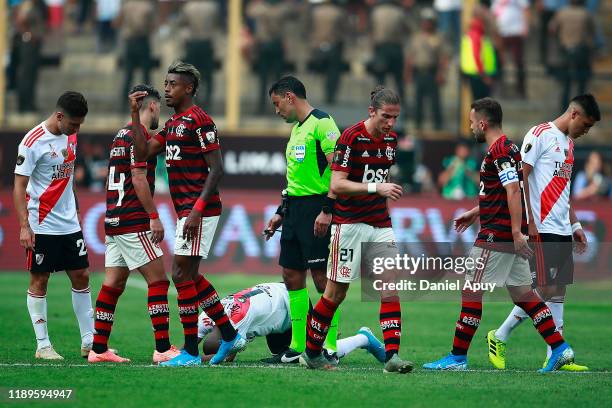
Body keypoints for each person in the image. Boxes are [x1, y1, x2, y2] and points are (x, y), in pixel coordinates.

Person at [423, 98, 575, 372]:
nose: (471, 128)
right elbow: (499, 192)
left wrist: (517, 232)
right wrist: (475, 212)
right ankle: (560, 348)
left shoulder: (499, 151)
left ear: (482, 123)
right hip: (504, 233)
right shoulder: (508, 148)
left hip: (496, 237)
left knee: (471, 291)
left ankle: (457, 357)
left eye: (471, 123)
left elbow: (514, 191)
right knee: (525, 296)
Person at [130, 61, 246, 367]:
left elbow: (217, 169)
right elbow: (141, 152)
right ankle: (230, 334)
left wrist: (196, 211)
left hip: (200, 209)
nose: (167, 89)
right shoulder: (172, 124)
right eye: (166, 84)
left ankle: (192, 352)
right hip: (187, 210)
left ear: (189, 88)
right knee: (190, 275)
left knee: (180, 274)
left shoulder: (200, 121)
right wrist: (134, 115)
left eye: (173, 84)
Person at [300, 86, 413, 373]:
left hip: (380, 223)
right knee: (336, 294)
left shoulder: (391, 140)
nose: (390, 123)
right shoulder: (351, 137)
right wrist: (377, 187)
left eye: (395, 118)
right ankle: (311, 353)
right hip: (349, 224)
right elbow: (337, 184)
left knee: (390, 289)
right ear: (371, 111)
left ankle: (392, 357)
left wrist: (380, 189)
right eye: (386, 116)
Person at [487, 94, 600, 371]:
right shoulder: (539, 135)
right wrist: (531, 222)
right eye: (585, 125)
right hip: (542, 226)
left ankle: (555, 355)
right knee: (543, 289)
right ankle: (499, 336)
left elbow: (565, 191)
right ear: (574, 114)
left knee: (558, 291)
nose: (586, 131)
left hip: (562, 226)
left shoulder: (570, 146)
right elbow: (521, 177)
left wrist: (575, 225)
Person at [88, 85, 180, 364]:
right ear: (151, 106)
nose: (159, 115)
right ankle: (163, 348)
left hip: (113, 219)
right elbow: (138, 178)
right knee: (159, 280)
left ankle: (99, 348)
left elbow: (111, 178)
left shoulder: (121, 134)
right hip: (132, 220)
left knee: (113, 283)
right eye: (158, 109)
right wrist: (153, 216)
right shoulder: (138, 136)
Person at [264, 76, 341, 364]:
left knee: (323, 280)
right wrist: (280, 213)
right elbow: (294, 181)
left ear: (289, 97)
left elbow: (338, 170)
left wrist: (328, 209)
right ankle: (298, 344)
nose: (276, 110)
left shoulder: (323, 123)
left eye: (276, 104)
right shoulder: (297, 130)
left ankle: (329, 345)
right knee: (291, 275)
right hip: (295, 211)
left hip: (317, 210)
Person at [13, 91, 93, 359]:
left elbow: (67, 179)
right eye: (73, 124)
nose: (76, 129)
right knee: (40, 278)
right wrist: (25, 226)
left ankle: (89, 342)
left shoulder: (70, 134)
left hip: (69, 223)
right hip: (42, 223)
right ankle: (43, 345)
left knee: (81, 275)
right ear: (59, 116)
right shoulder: (32, 141)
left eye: (80, 124)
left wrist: (77, 210)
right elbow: (19, 186)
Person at [196, 282, 387, 366]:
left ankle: (363, 338)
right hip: (275, 306)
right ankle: (316, 337)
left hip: (292, 302)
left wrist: (198, 360)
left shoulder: (239, 320)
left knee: (314, 356)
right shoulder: (205, 316)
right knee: (283, 357)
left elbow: (227, 357)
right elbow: (188, 347)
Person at [405, 8, 449, 130]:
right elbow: (409, 56)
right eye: (425, 21)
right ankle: (417, 126)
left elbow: (443, 57)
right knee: (418, 101)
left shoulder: (438, 37)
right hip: (418, 72)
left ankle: (438, 127)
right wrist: (407, 73)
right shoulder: (416, 37)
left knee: (435, 102)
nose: (427, 23)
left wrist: (441, 73)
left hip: (432, 72)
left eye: (429, 21)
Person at [549, 0, 596, 111]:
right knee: (581, 81)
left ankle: (564, 109)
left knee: (566, 82)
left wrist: (559, 39)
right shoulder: (586, 13)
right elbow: (592, 31)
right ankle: (582, 108)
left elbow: (551, 28)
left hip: (565, 50)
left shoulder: (562, 12)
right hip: (581, 50)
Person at [491, 0, 529, 98]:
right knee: (499, 61)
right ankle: (499, 88)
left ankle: (521, 90)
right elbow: (494, 13)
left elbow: (525, 9)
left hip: (515, 31)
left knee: (518, 61)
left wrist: (525, 27)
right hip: (501, 32)